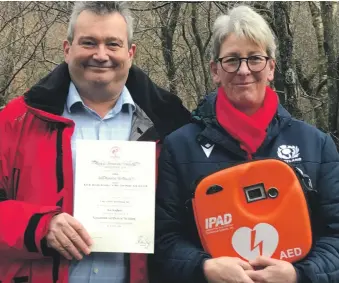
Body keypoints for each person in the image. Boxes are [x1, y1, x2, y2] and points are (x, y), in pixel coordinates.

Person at [0, 2, 190, 283]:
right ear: (67, 49)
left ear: (131, 52)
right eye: (89, 42)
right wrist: (38, 226)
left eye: (113, 44)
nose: (101, 55)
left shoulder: (171, 126)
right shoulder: (16, 120)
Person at [151, 5, 339, 283]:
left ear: (271, 67)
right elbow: (163, 239)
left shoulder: (316, 145)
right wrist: (205, 267)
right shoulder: (180, 147)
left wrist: (299, 274)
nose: (243, 70)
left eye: (255, 59)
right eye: (232, 60)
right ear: (215, 70)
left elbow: (336, 235)